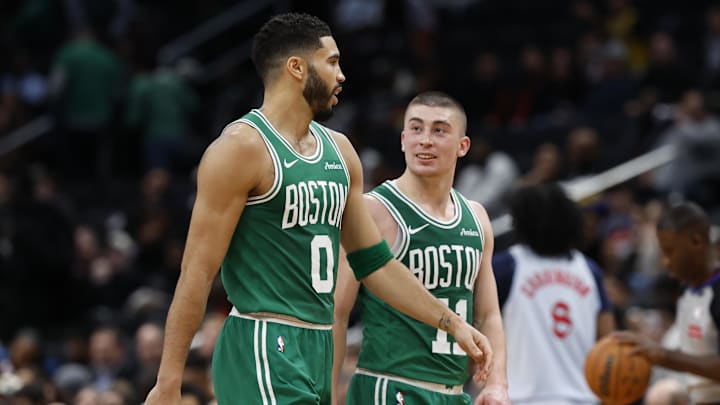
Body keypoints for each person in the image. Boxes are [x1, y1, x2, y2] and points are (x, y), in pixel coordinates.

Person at [143, 13, 492, 405]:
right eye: (332, 61)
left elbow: (374, 263)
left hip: (318, 346)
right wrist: (168, 382)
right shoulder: (241, 149)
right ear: (296, 67)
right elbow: (197, 272)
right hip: (262, 341)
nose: (341, 74)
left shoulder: (341, 152)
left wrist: (452, 323)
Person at [332, 91, 510, 405]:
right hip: (389, 388)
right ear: (403, 140)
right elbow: (337, 311)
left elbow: (488, 314)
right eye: (416, 129)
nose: (425, 140)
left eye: (439, 130)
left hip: (454, 394)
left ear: (462, 146)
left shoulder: (477, 217)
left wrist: (497, 385)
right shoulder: (373, 210)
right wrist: (329, 394)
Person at [492, 183, 615, 404]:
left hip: (521, 397)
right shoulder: (589, 270)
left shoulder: (506, 267)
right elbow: (608, 342)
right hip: (583, 396)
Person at [615, 201, 720, 404]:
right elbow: (695, 359)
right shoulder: (687, 292)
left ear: (696, 242)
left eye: (670, 251)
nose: (665, 261)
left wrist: (665, 356)